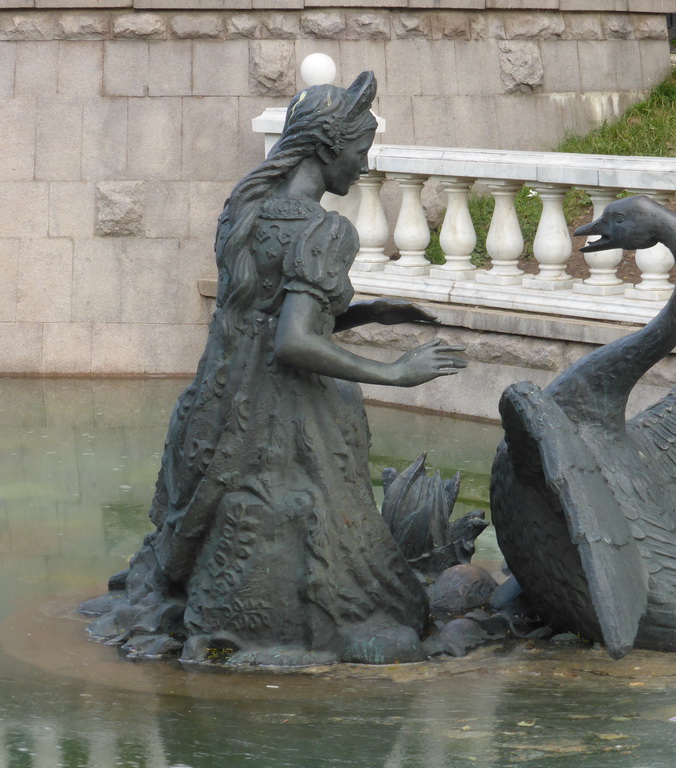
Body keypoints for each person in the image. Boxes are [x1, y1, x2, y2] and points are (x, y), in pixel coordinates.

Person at [87, 71, 467, 666]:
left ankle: (189, 611)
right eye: (359, 152)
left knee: (195, 529)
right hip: (283, 417)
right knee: (355, 564)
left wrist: (363, 311)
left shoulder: (248, 208)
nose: (362, 168)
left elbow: (262, 320)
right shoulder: (323, 229)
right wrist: (397, 371)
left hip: (218, 403)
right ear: (326, 148)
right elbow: (292, 343)